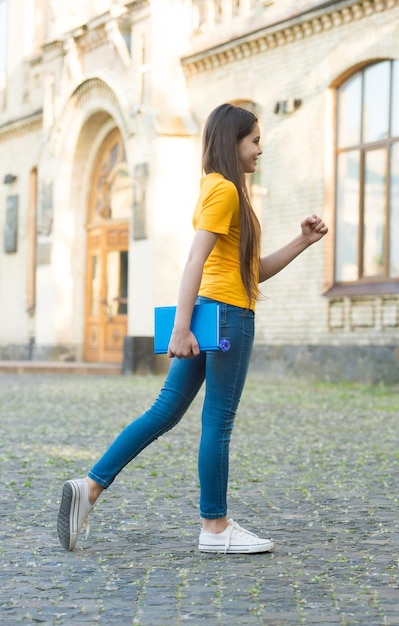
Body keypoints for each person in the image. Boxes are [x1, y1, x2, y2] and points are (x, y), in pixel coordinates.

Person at [57, 103, 328, 554]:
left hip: (211, 312)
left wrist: (302, 240)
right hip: (225, 317)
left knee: (164, 412)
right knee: (217, 422)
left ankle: (88, 490)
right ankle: (215, 527)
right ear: (233, 141)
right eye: (255, 141)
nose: (261, 149)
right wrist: (180, 329)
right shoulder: (225, 192)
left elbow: (251, 270)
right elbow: (194, 261)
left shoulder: (217, 190)